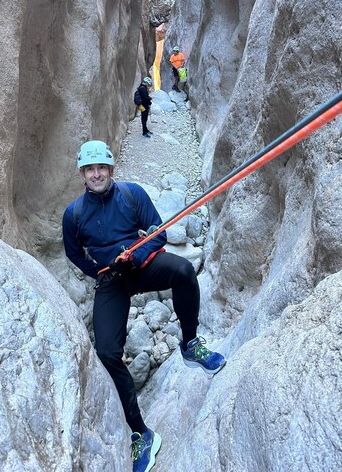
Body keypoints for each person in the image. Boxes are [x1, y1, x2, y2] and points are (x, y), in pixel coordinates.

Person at [62, 140, 227, 472]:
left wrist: (135, 255)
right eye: (90, 169)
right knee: (107, 351)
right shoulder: (74, 213)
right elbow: (74, 252)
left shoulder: (132, 194)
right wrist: (100, 270)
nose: (96, 174)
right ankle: (141, 432)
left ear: (110, 169)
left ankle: (190, 343)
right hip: (112, 280)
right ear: (83, 174)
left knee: (182, 271)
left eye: (102, 168)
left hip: (140, 266)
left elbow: (160, 233)